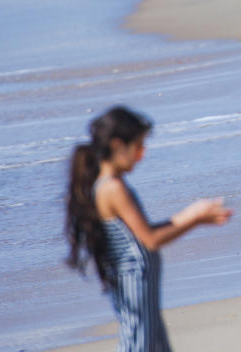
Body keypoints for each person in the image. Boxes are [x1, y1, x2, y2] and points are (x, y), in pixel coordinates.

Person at [65, 106, 232, 351]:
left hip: (141, 288)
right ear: (117, 144)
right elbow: (150, 239)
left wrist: (196, 218)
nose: (141, 155)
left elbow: (141, 232)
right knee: (139, 343)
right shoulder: (112, 187)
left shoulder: (110, 184)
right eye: (139, 146)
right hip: (135, 287)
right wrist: (193, 217)